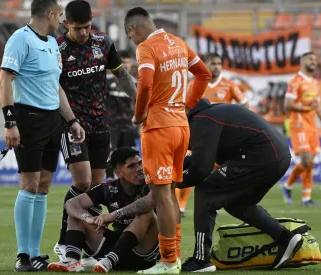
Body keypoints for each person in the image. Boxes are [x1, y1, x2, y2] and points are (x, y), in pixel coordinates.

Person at [112, 99, 306, 272]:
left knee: (205, 191)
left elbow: (200, 170)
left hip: (261, 156)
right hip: (276, 156)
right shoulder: (207, 115)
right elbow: (195, 159)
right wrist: (165, 172)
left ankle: (201, 259)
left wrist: (169, 182)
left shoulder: (203, 121)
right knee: (238, 204)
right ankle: (284, 238)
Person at [0, 0, 85, 271]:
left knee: (44, 185)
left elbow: (55, 86)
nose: (61, 20)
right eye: (60, 15)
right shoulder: (20, 40)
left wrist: (71, 120)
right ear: (49, 14)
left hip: (52, 121)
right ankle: (23, 255)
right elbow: (4, 80)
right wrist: (10, 122)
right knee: (30, 183)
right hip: (28, 119)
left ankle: (35, 252)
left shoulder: (51, 43)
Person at [124, 7, 211, 274]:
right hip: (180, 126)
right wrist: (186, 106)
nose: (132, 42)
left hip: (159, 128)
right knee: (169, 194)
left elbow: (146, 84)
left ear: (133, 29)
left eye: (130, 37)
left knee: (160, 196)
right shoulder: (179, 43)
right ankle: (174, 257)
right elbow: (204, 74)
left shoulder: (147, 48)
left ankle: (169, 261)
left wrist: (139, 115)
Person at [54, 0, 138, 263]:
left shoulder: (103, 42)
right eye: (78, 28)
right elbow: (53, 88)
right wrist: (70, 120)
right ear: (65, 24)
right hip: (72, 124)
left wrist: (139, 101)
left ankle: (90, 246)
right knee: (82, 182)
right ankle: (64, 241)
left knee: (96, 188)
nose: (83, 33)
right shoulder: (56, 48)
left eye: (87, 27)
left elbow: (121, 75)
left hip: (101, 124)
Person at [47, 148, 159, 273]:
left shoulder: (150, 184)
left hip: (143, 253)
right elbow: (71, 204)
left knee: (146, 213)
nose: (139, 168)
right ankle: (71, 261)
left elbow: (149, 202)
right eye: (132, 166)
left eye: (140, 163)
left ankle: (109, 260)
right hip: (113, 248)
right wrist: (88, 219)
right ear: (118, 173)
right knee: (76, 215)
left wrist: (112, 216)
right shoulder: (109, 188)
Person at [177, 53, 249, 218]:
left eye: (218, 63)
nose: (216, 67)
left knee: (225, 169)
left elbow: (245, 104)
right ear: (204, 65)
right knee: (191, 165)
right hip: (198, 135)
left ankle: (234, 202)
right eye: (212, 63)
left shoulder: (229, 85)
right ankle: (181, 206)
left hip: (224, 136)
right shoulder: (193, 84)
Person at [282, 52, 321, 206]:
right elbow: (287, 106)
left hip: (312, 126)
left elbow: (317, 107)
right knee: (306, 159)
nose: (314, 61)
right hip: (298, 124)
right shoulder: (295, 82)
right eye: (310, 59)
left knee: (310, 162)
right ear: (302, 62)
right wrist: (305, 107)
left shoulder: (314, 83)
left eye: (314, 59)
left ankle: (306, 198)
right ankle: (287, 185)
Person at [106, 50, 139, 180]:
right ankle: (110, 180)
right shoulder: (107, 82)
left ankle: (129, 181)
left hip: (129, 126)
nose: (126, 65)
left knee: (129, 157)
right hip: (111, 125)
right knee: (111, 155)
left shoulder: (136, 83)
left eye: (128, 62)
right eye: (123, 62)